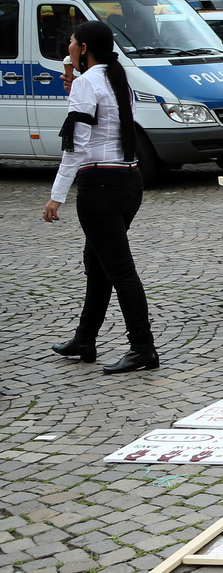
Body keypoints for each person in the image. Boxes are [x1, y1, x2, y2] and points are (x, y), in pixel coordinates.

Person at [41, 21, 159, 374]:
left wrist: (55, 196)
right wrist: (76, 86)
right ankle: (85, 338)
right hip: (128, 180)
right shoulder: (118, 79)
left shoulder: (87, 82)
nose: (70, 48)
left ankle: (143, 347)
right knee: (98, 264)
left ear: (84, 48)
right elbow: (103, 125)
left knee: (119, 270)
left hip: (101, 186)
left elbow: (75, 146)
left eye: (73, 43)